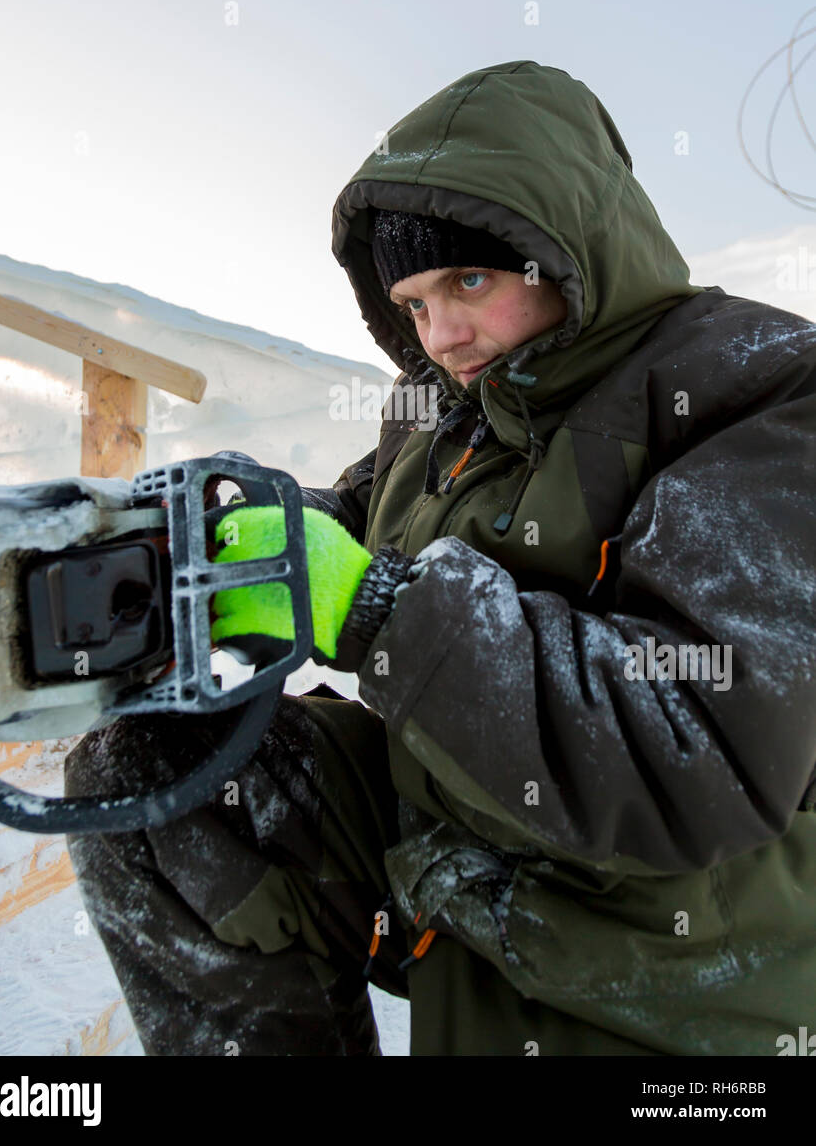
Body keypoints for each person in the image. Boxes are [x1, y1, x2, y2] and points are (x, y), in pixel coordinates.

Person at [65, 59, 816, 1056]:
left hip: (656, 936)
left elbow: (698, 744)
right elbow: (346, 516)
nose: (442, 333)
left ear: (569, 249)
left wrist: (374, 610)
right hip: (445, 831)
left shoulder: (754, 390)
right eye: (413, 302)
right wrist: (200, 555)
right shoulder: (440, 407)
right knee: (148, 774)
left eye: (468, 279)